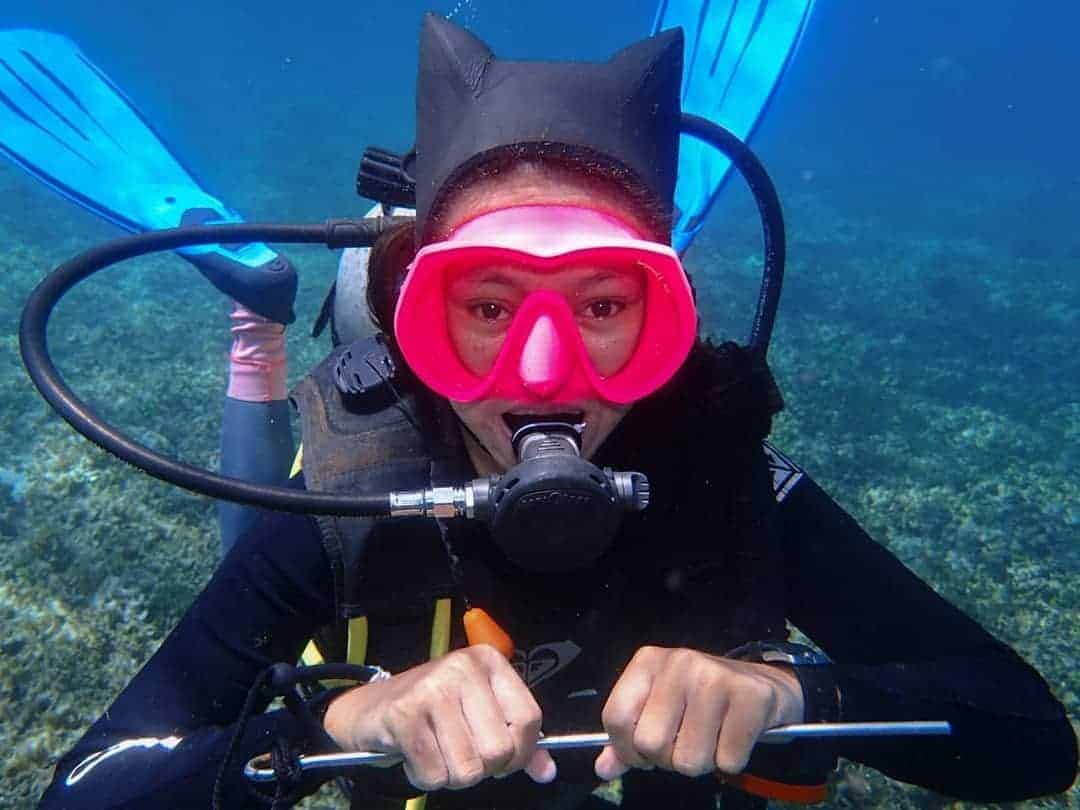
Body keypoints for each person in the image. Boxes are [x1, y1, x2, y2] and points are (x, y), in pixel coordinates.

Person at [37, 14, 1077, 810]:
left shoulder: (725, 484)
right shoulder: (353, 498)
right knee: (262, 553)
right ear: (418, 316)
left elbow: (1032, 736)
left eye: (605, 306)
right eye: (487, 307)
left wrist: (797, 697)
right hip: (345, 568)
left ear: (668, 321)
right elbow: (87, 788)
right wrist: (331, 722)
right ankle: (256, 329)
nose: (543, 374)